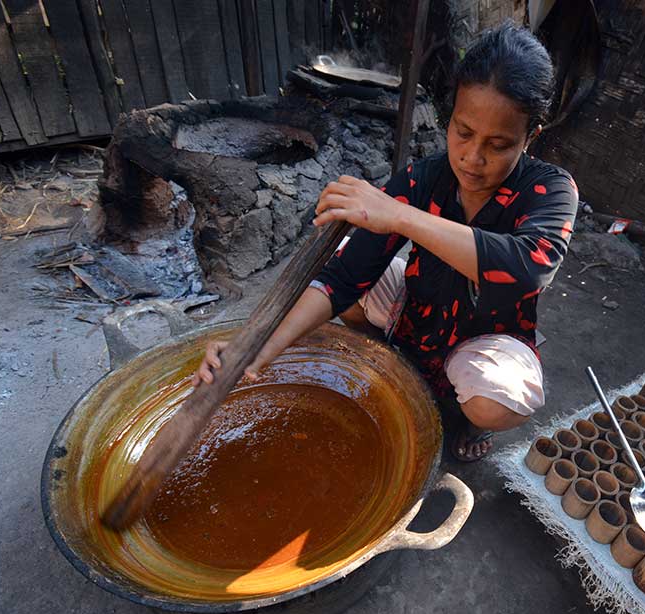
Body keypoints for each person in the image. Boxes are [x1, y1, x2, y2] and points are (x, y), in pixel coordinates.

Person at [193, 23, 578, 461]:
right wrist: (258, 347)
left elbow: (528, 269)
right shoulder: (426, 177)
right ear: (449, 116)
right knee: (343, 262)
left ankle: (466, 423)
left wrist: (398, 215)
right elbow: (345, 277)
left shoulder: (550, 189)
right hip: (420, 310)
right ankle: (391, 359)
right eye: (463, 131)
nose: (472, 157)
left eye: (498, 144)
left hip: (487, 333)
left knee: (495, 398)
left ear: (532, 136)